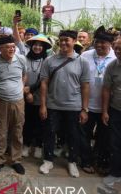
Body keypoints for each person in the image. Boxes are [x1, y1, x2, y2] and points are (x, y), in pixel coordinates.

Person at [39, 30, 90, 178]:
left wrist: (84, 109)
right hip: (53, 105)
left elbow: (85, 86)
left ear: (74, 41)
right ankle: (48, 160)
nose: (63, 43)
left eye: (66, 40)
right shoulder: (50, 60)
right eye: (61, 40)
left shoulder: (82, 62)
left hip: (73, 106)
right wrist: (43, 105)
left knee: (73, 134)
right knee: (49, 132)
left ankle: (72, 161)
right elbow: (44, 84)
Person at [0, 35, 27, 175]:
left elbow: (24, 75)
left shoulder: (21, 59)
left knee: (17, 131)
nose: (11, 49)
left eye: (13, 47)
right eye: (8, 47)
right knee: (1, 131)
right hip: (0, 102)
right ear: (0, 49)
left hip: (18, 101)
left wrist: (20, 88)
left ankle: (16, 160)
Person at [80, 26, 116, 175]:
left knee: (104, 136)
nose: (100, 45)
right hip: (87, 104)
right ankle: (86, 160)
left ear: (111, 44)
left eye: (104, 43)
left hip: (107, 107)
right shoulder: (85, 56)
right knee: (84, 134)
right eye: (97, 42)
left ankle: (100, 160)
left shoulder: (115, 58)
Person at [22, 34, 52, 159]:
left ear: (44, 48)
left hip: (42, 96)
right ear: (31, 46)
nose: (37, 47)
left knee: (41, 122)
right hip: (25, 95)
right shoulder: (24, 59)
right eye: (35, 45)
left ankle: (39, 146)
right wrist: (27, 93)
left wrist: (31, 90)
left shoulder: (48, 60)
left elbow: (44, 78)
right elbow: (20, 75)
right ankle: (26, 145)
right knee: (27, 121)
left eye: (40, 46)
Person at [102, 38, 121, 187]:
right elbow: (107, 90)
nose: (118, 51)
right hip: (116, 111)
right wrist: (105, 111)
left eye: (120, 48)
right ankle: (115, 172)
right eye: (116, 48)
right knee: (115, 143)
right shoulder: (112, 66)